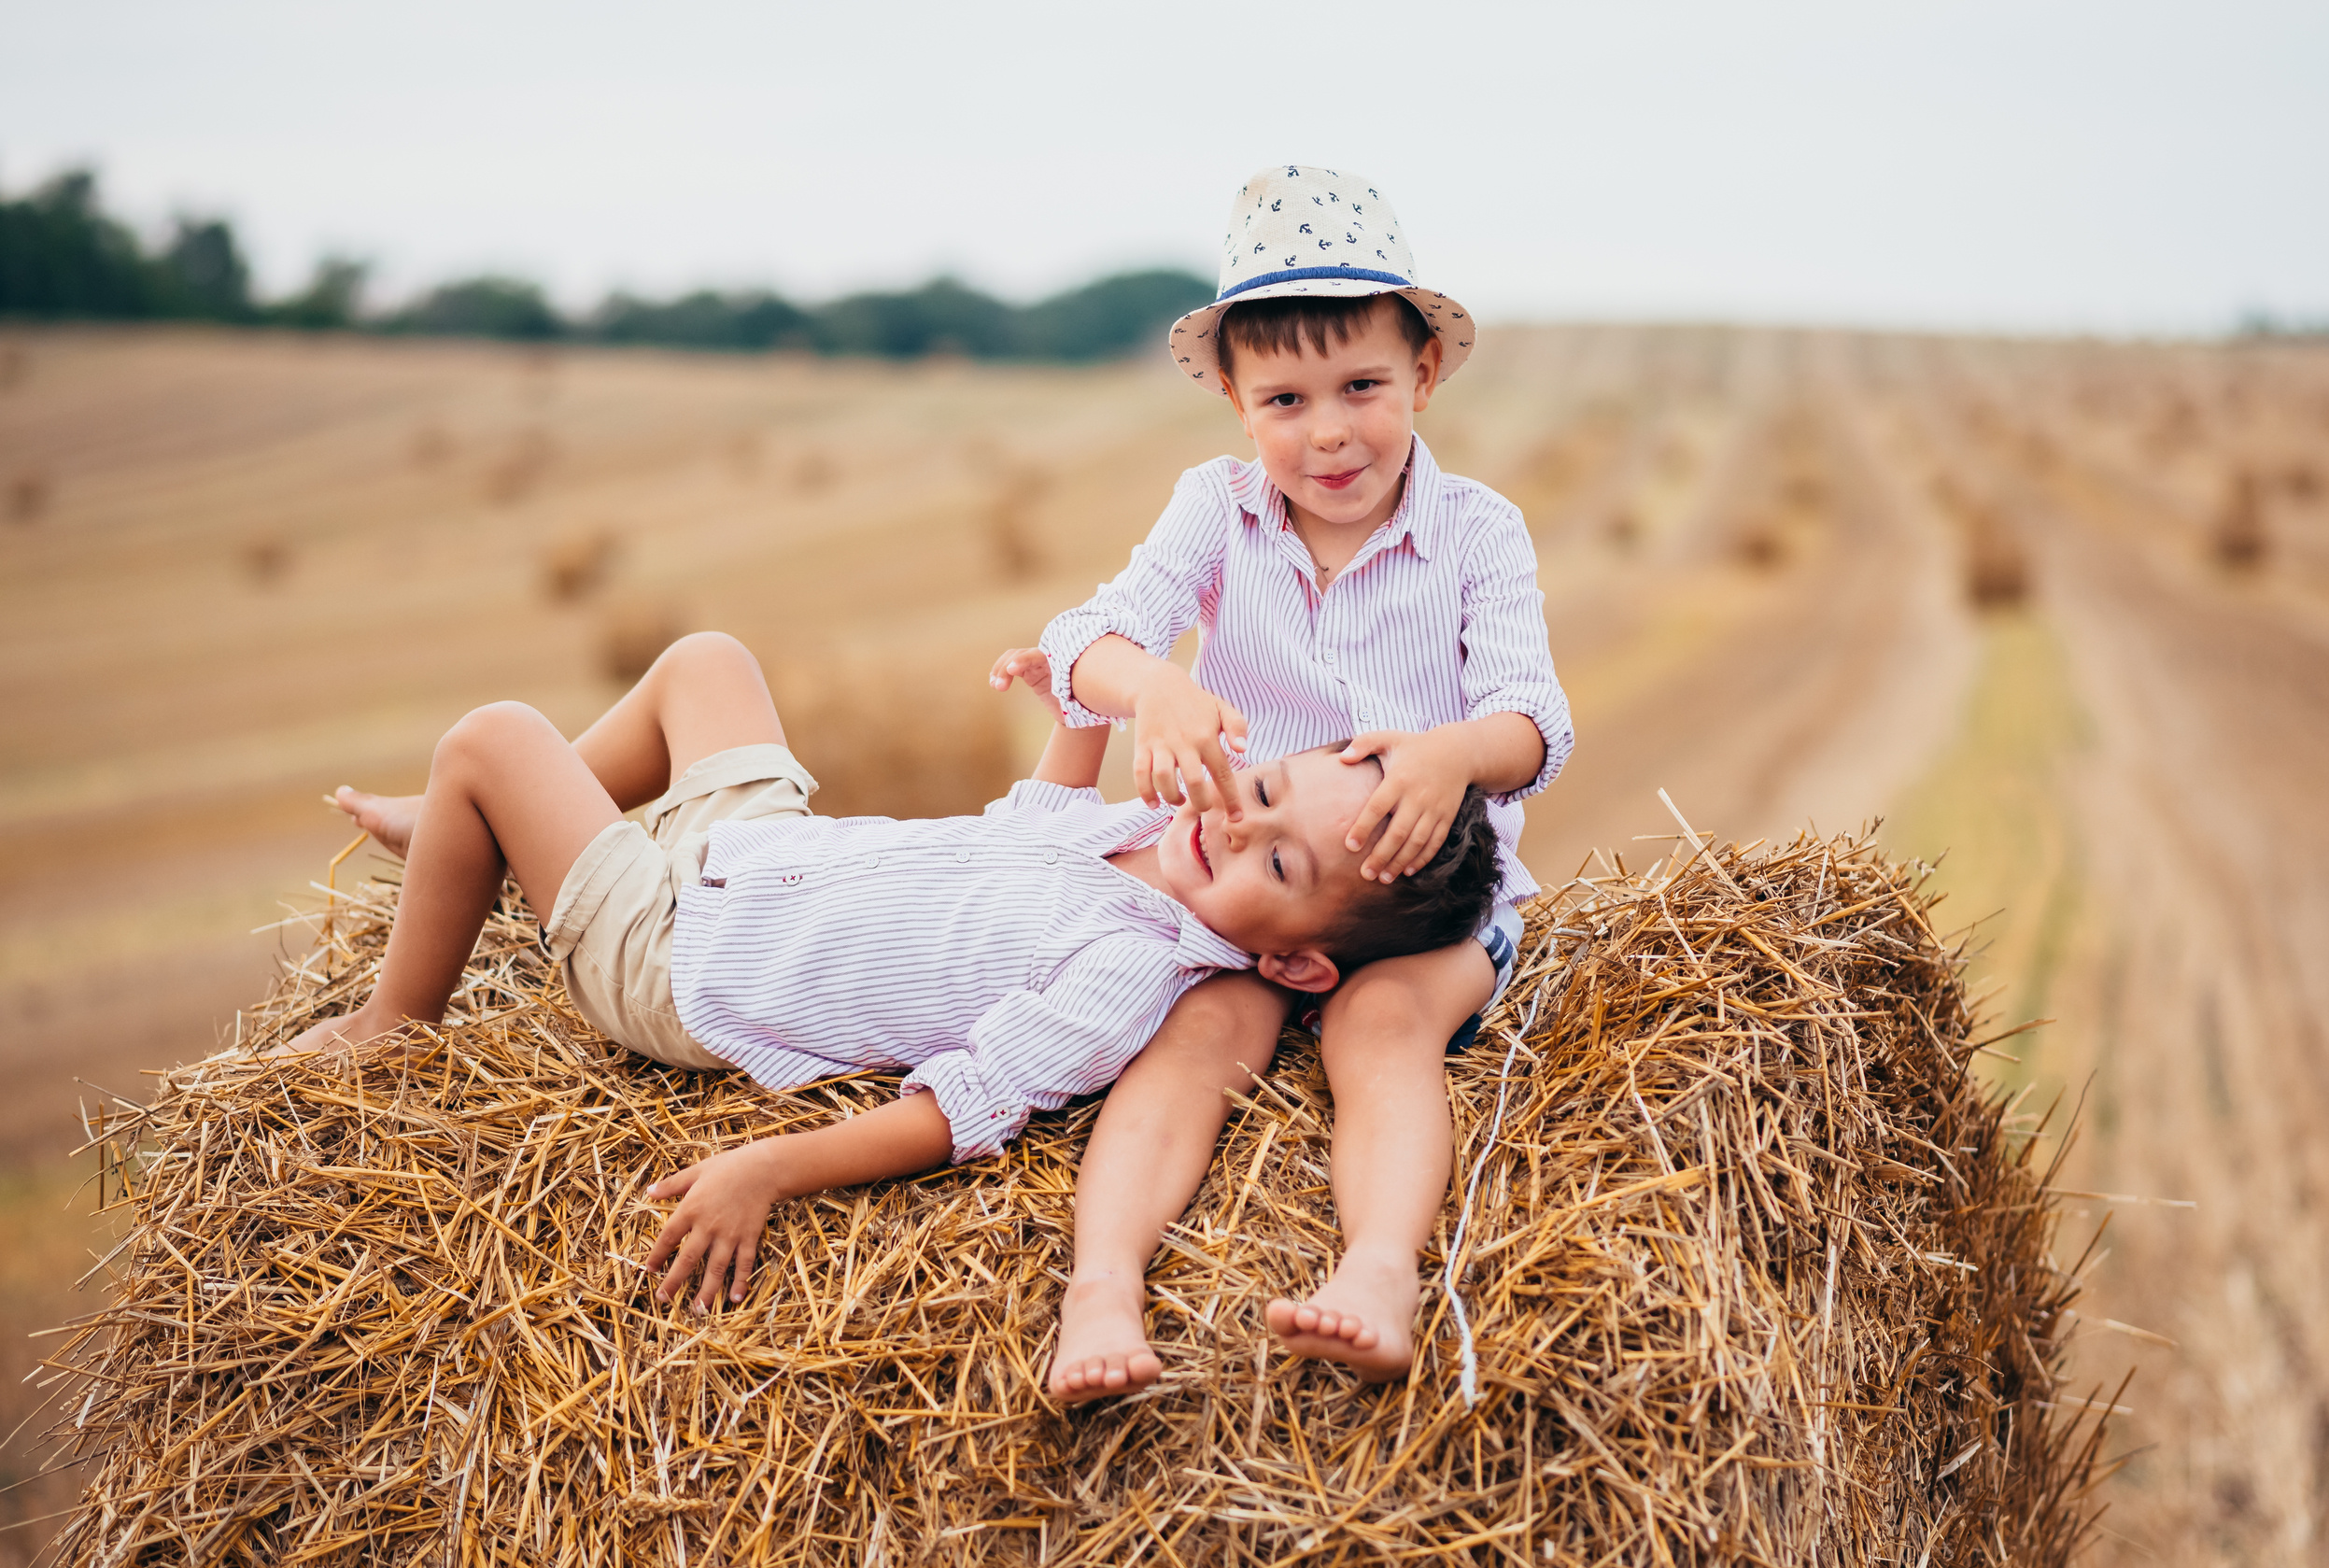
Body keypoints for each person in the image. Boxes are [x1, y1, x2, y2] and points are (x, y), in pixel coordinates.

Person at [293, 629, 1499, 1311]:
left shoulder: (1128, 975)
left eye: (1278, 859)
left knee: (494, 734)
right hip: (762, 855)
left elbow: (957, 1109)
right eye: (1272, 791)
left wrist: (773, 1167)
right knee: (709, 662)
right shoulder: (1135, 838)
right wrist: (1068, 698)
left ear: (1289, 956)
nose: (1239, 824)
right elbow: (1028, 820)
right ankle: (474, 831)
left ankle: (400, 1006)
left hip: (690, 958)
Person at [990, 165, 1572, 1399]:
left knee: (1381, 1025)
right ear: (1235, 404)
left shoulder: (1479, 530)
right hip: (1250, 887)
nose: (1329, 431)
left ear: (1422, 372)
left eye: (1362, 386)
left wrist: (1450, 752)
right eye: (1286, 399)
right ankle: (1103, 1285)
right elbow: (1086, 635)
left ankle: (1377, 1272)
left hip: (1422, 900)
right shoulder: (1217, 508)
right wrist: (1152, 688)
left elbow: (1535, 724)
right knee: (1197, 1041)